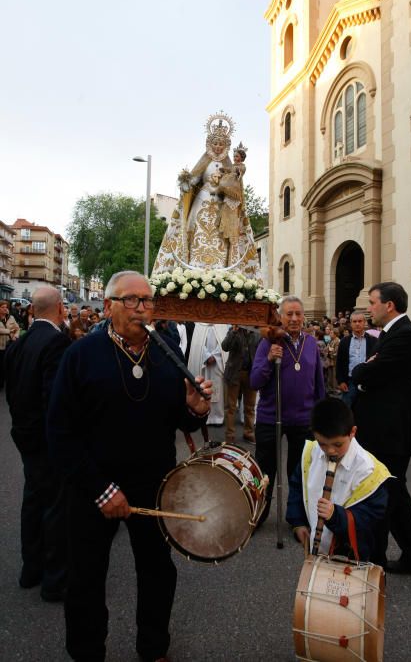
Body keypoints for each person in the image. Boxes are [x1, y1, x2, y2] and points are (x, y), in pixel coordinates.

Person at [47, 271, 212, 662]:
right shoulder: (81, 355)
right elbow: (60, 432)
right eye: (133, 301)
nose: (143, 309)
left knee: (158, 572)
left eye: (148, 301)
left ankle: (154, 648)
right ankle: (87, 652)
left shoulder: (166, 349)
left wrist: (196, 410)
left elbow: (181, 418)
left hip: (153, 484)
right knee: (86, 577)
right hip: (92, 487)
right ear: (108, 307)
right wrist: (101, 489)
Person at [352, 282, 411, 576]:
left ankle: (375, 562)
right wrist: (366, 371)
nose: (368, 308)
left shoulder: (405, 335)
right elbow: (373, 370)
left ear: (389, 305)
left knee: (384, 496)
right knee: (395, 496)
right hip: (385, 431)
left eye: (372, 302)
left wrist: (361, 373)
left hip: (392, 433)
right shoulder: (394, 333)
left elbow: (371, 372)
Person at [5, 286, 71, 601]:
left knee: (32, 502)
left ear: (32, 310)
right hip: (46, 441)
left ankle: (30, 570)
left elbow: (13, 391)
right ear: (59, 308)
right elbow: (54, 400)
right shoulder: (57, 342)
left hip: (23, 434)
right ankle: (54, 581)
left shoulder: (20, 343)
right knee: (55, 508)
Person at [152, 112, 260, 280]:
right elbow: (194, 179)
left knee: (220, 237)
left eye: (221, 144)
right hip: (201, 203)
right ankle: (193, 270)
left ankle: (220, 272)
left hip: (221, 207)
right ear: (210, 144)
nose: (218, 147)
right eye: (215, 143)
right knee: (195, 232)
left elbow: (236, 187)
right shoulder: (204, 162)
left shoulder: (230, 167)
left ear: (226, 146)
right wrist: (185, 181)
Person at [250, 295, 325, 524]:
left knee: (299, 472)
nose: (294, 319)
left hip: (303, 419)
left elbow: (319, 382)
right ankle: (257, 514)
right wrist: (270, 359)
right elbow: (255, 381)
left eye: (298, 314)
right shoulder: (268, 343)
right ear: (280, 317)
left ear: (303, 317)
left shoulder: (311, 343)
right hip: (270, 416)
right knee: (263, 470)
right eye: (289, 314)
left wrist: (321, 415)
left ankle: (297, 517)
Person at [286, 398, 390, 561]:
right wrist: (297, 522)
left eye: (338, 444)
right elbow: (297, 487)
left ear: (352, 432)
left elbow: (372, 518)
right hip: (318, 550)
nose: (330, 451)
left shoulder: (368, 470)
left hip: (352, 558)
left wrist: (336, 515)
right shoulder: (311, 453)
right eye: (323, 444)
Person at [221, 325, 261, 444]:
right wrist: (234, 331)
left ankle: (248, 433)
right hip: (234, 373)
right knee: (231, 406)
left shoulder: (257, 333)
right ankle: (230, 435)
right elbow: (225, 346)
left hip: (251, 374)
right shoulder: (234, 330)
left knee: (250, 406)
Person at [188, 323, 228, 426]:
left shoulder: (222, 325)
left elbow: (223, 344)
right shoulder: (199, 325)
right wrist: (206, 356)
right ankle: (204, 416)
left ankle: (217, 418)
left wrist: (215, 356)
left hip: (217, 365)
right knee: (203, 388)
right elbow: (198, 345)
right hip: (203, 365)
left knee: (216, 390)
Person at [335, 311, 377, 408]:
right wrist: (341, 381)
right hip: (350, 382)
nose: (357, 324)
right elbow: (340, 362)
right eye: (354, 321)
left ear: (364, 322)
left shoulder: (373, 341)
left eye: (360, 321)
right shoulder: (344, 342)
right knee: (346, 410)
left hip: (367, 382)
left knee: (367, 410)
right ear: (350, 323)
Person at [0, 299, 20, 390]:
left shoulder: (11, 318)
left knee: (7, 364)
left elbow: (17, 328)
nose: (5, 309)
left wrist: (16, 335)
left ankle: (5, 381)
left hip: (8, 344)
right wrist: (9, 331)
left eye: (6, 307)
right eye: (2, 307)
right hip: (0, 345)